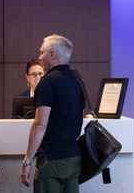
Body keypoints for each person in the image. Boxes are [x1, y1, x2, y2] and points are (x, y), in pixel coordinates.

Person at [20, 34, 85, 193]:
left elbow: (40, 124)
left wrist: (27, 160)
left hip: (52, 161)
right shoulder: (77, 79)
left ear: (53, 54)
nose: (40, 57)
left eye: (42, 52)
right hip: (74, 158)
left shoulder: (48, 82)